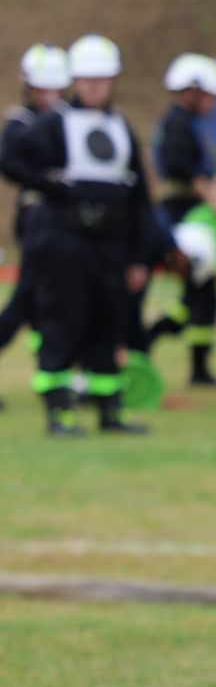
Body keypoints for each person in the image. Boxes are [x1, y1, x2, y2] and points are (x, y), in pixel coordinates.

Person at [0, 35, 164, 437]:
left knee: (108, 323)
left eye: (101, 79)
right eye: (86, 79)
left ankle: (110, 411)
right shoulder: (55, 122)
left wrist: (141, 257)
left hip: (111, 242)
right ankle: (60, 414)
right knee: (62, 322)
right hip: (64, 239)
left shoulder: (120, 125)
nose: (93, 86)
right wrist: (55, 186)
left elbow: (141, 196)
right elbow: (11, 160)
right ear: (75, 80)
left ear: (113, 80)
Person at [153, 53, 216, 390]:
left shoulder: (190, 124)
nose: (213, 103)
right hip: (183, 216)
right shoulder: (177, 124)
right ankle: (148, 337)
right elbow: (183, 169)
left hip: (194, 215)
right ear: (193, 90)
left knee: (204, 296)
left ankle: (199, 368)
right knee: (197, 294)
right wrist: (213, 196)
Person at [0, 44, 70, 379]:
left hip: (69, 221)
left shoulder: (72, 118)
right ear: (29, 85)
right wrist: (50, 183)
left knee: (56, 300)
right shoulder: (20, 123)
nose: (51, 95)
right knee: (26, 298)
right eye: (44, 88)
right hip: (35, 220)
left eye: (57, 87)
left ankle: (57, 367)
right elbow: (9, 162)